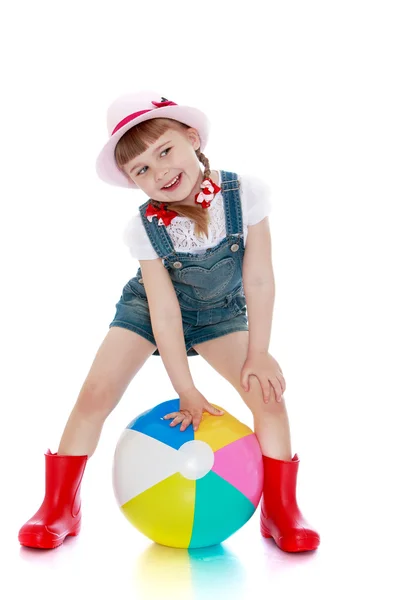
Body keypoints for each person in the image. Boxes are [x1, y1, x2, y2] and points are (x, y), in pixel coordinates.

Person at [18, 91, 320, 553]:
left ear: (192, 138)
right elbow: (163, 313)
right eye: (141, 168)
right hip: (148, 311)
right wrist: (187, 389)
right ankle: (60, 506)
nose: (159, 170)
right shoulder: (143, 227)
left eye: (165, 151)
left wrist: (259, 353)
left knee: (268, 397)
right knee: (95, 393)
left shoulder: (246, 194)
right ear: (132, 181)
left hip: (221, 313)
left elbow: (258, 279)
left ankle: (280, 510)